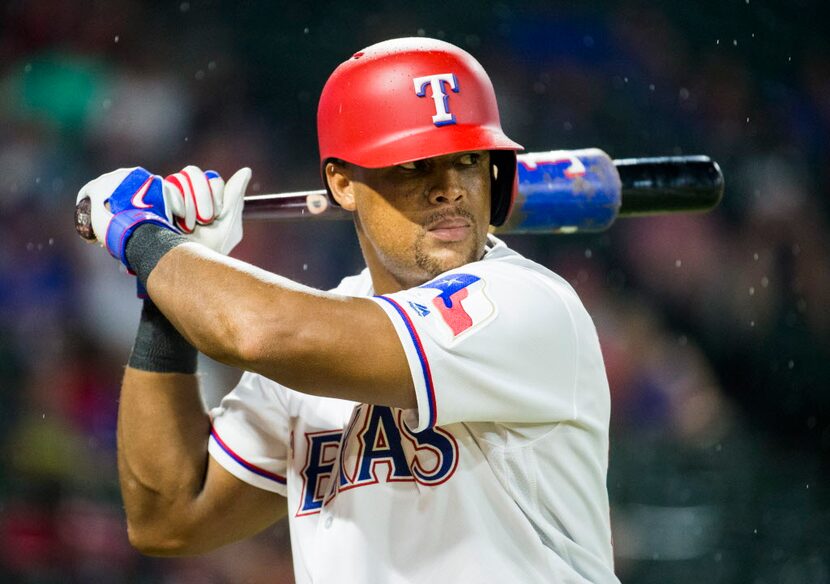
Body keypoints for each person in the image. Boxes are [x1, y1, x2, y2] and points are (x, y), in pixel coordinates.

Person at [77, 37, 619, 583]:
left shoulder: (525, 303)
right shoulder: (318, 335)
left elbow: (260, 334)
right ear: (342, 182)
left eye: (469, 160)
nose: (449, 189)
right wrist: (168, 291)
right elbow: (169, 518)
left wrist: (147, 239)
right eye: (414, 166)